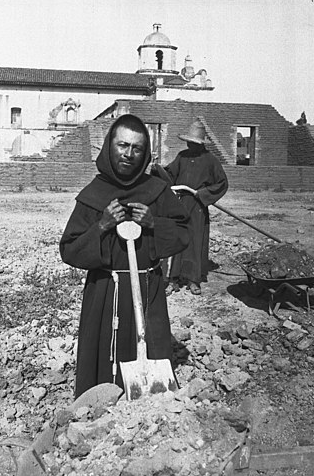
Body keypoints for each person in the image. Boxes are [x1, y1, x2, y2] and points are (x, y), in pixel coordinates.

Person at [60, 114, 189, 398]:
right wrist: (102, 226)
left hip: (147, 288)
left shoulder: (158, 191)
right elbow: (69, 249)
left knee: (150, 355)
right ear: (110, 147)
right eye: (122, 145)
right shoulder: (94, 194)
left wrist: (155, 222)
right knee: (104, 357)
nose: (129, 154)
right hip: (106, 292)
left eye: (137, 148)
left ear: (145, 154)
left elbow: (184, 234)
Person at [154, 116, 228, 295]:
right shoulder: (182, 157)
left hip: (197, 206)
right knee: (177, 239)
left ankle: (194, 280)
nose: (190, 146)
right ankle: (173, 279)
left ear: (201, 144)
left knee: (195, 241)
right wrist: (157, 170)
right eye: (189, 142)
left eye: (193, 143)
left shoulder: (210, 160)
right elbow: (170, 175)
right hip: (180, 204)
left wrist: (201, 194)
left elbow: (222, 183)